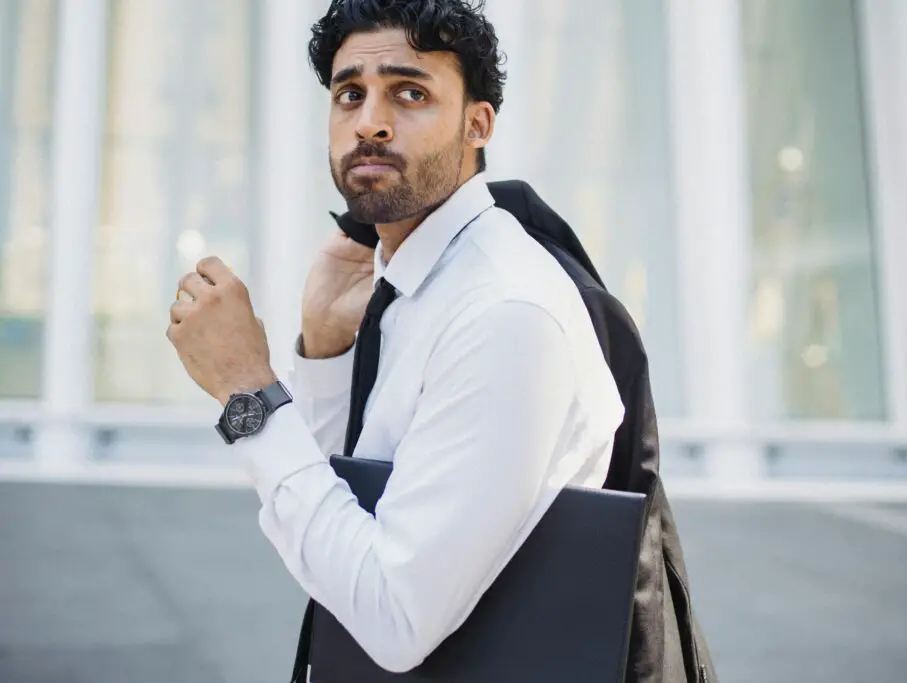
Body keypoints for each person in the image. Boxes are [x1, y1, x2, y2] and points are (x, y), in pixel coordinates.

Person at [165, 0, 627, 675]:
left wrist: (247, 389)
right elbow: (335, 547)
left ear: (478, 123)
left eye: (409, 92)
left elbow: (394, 615)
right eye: (349, 93)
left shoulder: (503, 311)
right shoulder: (412, 284)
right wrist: (324, 352)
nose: (370, 121)